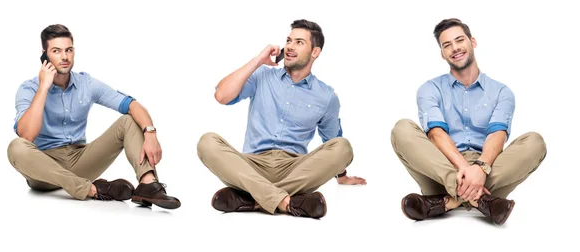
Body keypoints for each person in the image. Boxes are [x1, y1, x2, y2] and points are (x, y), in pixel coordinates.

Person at [197, 19, 366, 219]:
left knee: (344, 147)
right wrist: (258, 60)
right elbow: (222, 96)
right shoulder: (261, 76)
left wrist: (342, 175)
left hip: (295, 169)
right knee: (207, 142)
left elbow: (332, 141)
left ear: (315, 52)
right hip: (252, 164)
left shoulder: (326, 96)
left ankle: (250, 198)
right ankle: (288, 202)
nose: (290, 47)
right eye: (288, 40)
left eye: (299, 42)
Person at [391, 18, 546, 225]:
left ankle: (444, 203)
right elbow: (436, 134)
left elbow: (497, 135)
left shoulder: (502, 92)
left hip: (489, 169)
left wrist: (480, 169)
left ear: (472, 42)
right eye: (447, 45)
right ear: (442, 53)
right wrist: (465, 169)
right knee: (401, 129)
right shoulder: (429, 89)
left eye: (459, 40)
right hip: (440, 168)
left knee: (535, 143)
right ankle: (481, 200)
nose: (455, 48)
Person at [7, 24, 180, 209]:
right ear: (44, 54)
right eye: (56, 51)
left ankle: (147, 184)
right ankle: (92, 190)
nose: (64, 57)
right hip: (43, 170)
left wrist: (150, 133)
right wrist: (43, 87)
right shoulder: (28, 89)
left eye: (69, 50)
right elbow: (27, 136)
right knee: (15, 147)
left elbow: (132, 105)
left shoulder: (86, 83)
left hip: (80, 158)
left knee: (129, 121)